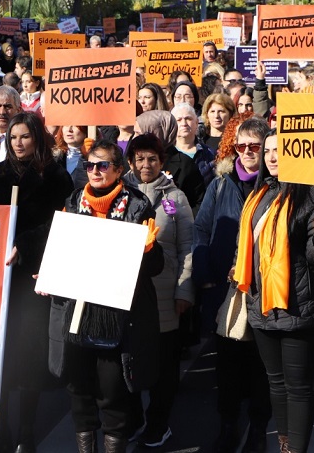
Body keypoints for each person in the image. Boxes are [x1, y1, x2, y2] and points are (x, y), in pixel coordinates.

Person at [0, 112, 74, 451]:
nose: (18, 143)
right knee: (1, 357)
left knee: (29, 357)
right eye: (14, 137)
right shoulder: (0, 173)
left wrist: (26, 245)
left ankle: (27, 432)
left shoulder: (55, 177)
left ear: (37, 139)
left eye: (25, 137)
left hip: (33, 276)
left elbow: (58, 224)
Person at [45, 139, 162, 453]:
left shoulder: (137, 205)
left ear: (119, 170)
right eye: (89, 165)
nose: (94, 171)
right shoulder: (72, 200)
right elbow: (61, 253)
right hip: (77, 311)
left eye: (102, 165)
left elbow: (155, 268)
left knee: (112, 392)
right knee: (79, 389)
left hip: (117, 318)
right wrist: (48, 273)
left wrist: (149, 250)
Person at [232, 132, 314, 453]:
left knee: (298, 388)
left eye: (281, 150)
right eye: (269, 151)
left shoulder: (309, 198)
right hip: (261, 306)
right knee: (275, 383)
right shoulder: (257, 195)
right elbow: (244, 246)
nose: (273, 157)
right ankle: (285, 446)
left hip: (297, 308)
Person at [192, 116, 272, 453]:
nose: (249, 152)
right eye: (242, 145)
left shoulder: (277, 185)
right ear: (234, 147)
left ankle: (257, 428)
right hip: (225, 290)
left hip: (264, 289)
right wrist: (205, 274)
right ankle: (227, 425)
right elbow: (200, 229)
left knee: (260, 365)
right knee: (227, 363)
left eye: (256, 146)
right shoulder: (220, 184)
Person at [124, 134, 194, 447]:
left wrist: (184, 290)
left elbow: (188, 246)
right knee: (129, 363)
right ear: (131, 162)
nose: (146, 164)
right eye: (139, 158)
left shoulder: (175, 198)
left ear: (161, 162)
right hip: (127, 295)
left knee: (165, 368)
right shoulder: (120, 193)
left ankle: (158, 422)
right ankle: (133, 418)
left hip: (165, 296)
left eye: (152, 158)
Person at [172, 104, 216, 185]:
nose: (184, 123)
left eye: (188, 118)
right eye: (179, 120)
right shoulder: (166, 154)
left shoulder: (209, 154)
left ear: (196, 122)